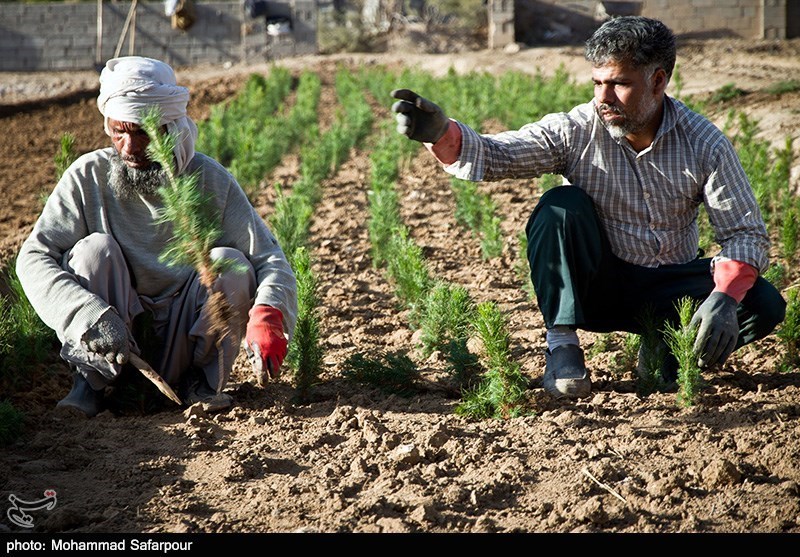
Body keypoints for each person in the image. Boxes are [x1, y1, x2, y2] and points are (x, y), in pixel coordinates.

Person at [390, 16, 786, 400]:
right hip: (600, 284)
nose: (603, 97)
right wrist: (443, 135)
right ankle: (562, 346)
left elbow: (745, 233)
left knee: (762, 303)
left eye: (619, 84)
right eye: (597, 82)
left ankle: (667, 346)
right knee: (559, 206)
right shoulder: (576, 129)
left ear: (658, 81)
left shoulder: (704, 142)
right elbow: (499, 155)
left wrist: (724, 297)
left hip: (671, 286)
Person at [16, 56, 298, 417]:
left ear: (170, 128)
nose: (129, 148)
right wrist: (88, 316)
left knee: (232, 264)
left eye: (142, 132)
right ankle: (92, 383)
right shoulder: (87, 177)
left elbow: (268, 258)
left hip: (186, 335)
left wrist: (269, 312)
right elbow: (33, 256)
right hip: (110, 335)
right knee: (92, 252)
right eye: (119, 132)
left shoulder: (209, 180)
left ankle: (200, 384)